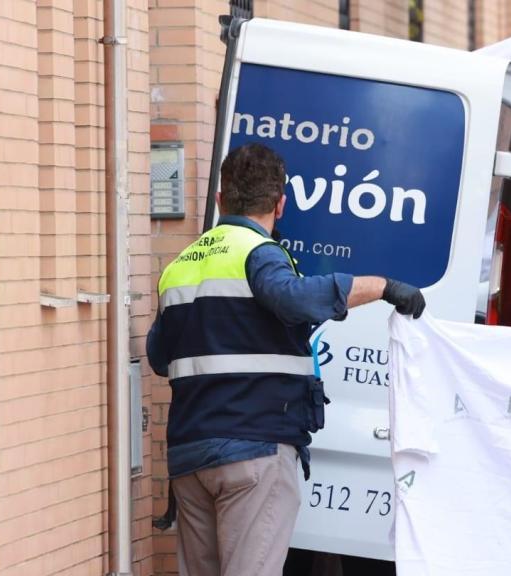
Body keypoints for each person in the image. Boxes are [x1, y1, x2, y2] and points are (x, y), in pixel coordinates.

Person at [146, 143, 425, 576]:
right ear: (280, 205)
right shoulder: (259, 253)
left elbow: (159, 357)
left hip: (190, 457)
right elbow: (292, 298)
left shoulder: (179, 267)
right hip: (252, 451)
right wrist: (384, 287)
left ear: (221, 200)